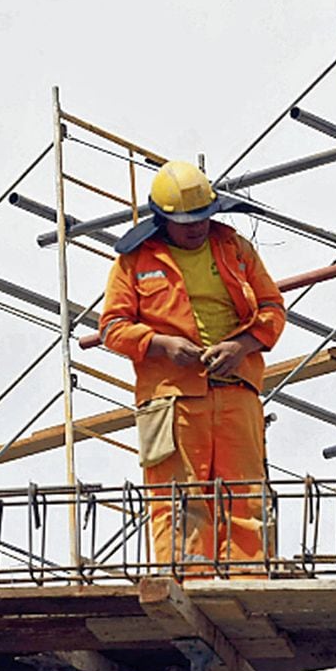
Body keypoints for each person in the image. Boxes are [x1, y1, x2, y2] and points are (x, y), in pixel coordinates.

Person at [100, 160, 285, 575]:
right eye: (186, 221)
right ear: (162, 219)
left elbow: (272, 308)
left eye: (203, 217)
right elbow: (112, 327)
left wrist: (242, 345)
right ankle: (187, 578)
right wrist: (161, 345)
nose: (197, 227)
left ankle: (247, 577)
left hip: (235, 389)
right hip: (172, 399)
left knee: (244, 492)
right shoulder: (134, 261)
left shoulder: (233, 247)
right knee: (179, 496)